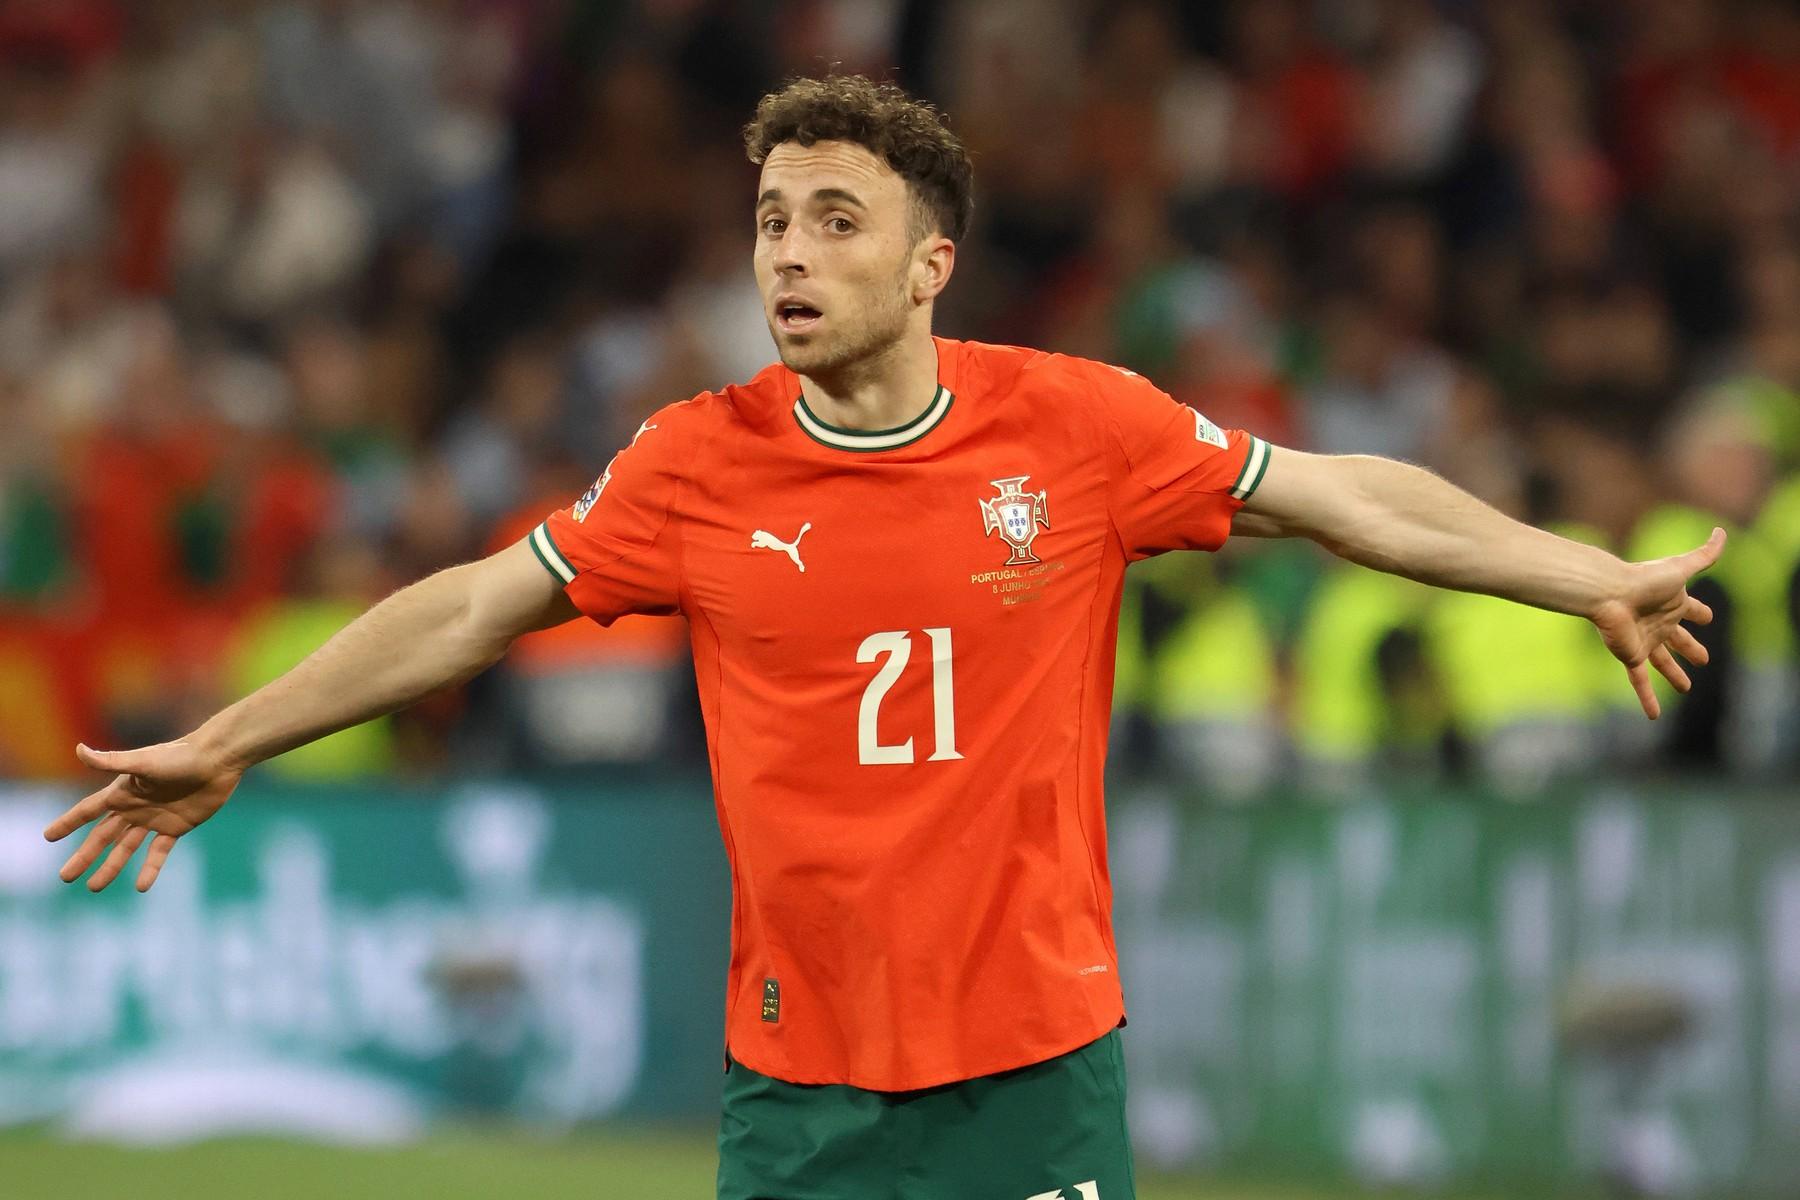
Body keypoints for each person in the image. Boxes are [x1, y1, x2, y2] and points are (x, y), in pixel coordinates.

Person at [44, 75, 1723, 1200]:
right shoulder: (691, 463)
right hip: (801, 1085)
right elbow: (477, 606)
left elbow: (1342, 495)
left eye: (836, 220)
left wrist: (1579, 572)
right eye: (773, 219)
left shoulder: (1077, 427)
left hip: (1035, 1068)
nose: (790, 251)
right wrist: (232, 739)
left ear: (931, 265)